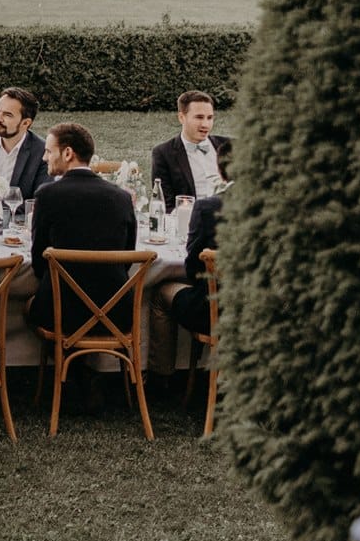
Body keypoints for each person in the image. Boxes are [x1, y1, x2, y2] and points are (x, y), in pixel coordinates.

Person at [28, 122, 138, 333]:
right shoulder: (122, 197)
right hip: (115, 315)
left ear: (67, 153)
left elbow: (39, 265)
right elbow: (127, 258)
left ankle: (61, 362)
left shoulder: (47, 195)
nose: (44, 158)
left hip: (61, 314)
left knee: (30, 308)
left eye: (49, 151)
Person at [149, 191, 224, 374]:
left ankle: (161, 377)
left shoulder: (208, 207)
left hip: (214, 312)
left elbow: (192, 269)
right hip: (266, 312)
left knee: (161, 292)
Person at [150, 91, 232, 203]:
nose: (205, 124)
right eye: (199, 117)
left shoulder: (228, 145)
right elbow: (165, 203)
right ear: (181, 117)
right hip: (191, 218)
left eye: (210, 118)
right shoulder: (163, 153)